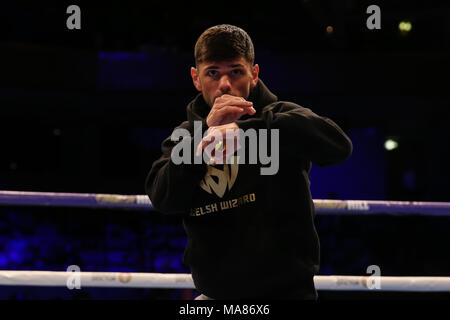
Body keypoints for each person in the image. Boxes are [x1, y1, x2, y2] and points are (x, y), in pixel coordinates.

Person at [145, 24, 353, 300]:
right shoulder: (186, 136)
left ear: (253, 74)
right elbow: (163, 198)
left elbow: (339, 147)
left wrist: (244, 131)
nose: (225, 84)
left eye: (235, 71)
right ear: (196, 78)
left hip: (286, 294)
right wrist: (204, 141)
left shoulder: (282, 117)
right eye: (213, 73)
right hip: (216, 296)